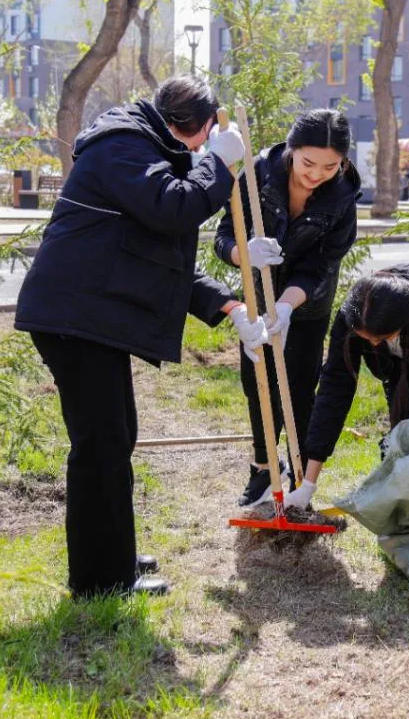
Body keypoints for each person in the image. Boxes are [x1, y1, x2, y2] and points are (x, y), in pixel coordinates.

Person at [15, 76, 269, 598]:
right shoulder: (123, 146)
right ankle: (101, 581)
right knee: (101, 447)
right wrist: (217, 166)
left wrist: (229, 306)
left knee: (116, 438)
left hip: (89, 317)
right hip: (73, 317)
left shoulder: (145, 148)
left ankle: (112, 556)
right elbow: (173, 208)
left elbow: (160, 257)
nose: (201, 150)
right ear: (193, 127)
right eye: (203, 139)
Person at [214, 109, 360, 508]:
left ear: (343, 162)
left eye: (330, 166)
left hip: (305, 306)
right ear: (292, 151)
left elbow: (322, 265)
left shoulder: (343, 197)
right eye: (308, 162)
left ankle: (297, 474)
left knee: (298, 387)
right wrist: (243, 253)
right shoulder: (258, 173)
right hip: (256, 301)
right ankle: (263, 468)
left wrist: (287, 307)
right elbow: (223, 236)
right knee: (256, 382)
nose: (316, 174)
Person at [284, 265, 409, 510]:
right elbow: (334, 391)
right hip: (396, 368)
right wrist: (308, 484)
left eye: (381, 338)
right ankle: (403, 521)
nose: (374, 343)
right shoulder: (353, 314)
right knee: (401, 445)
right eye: (368, 340)